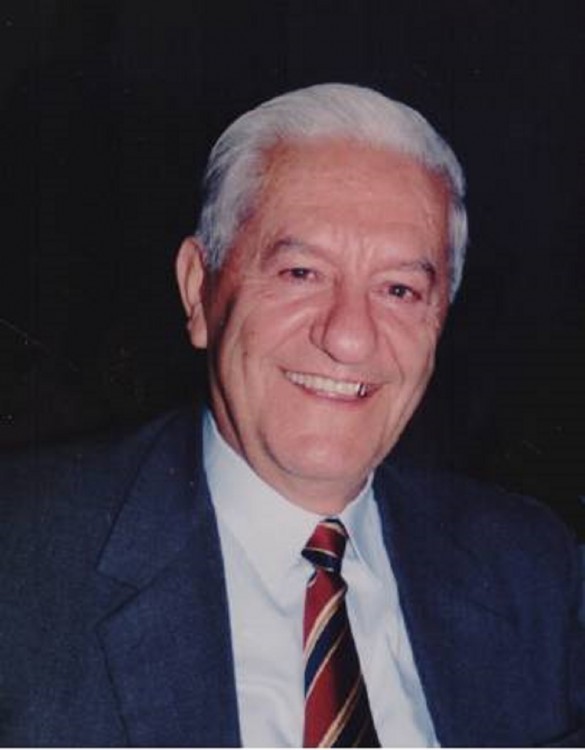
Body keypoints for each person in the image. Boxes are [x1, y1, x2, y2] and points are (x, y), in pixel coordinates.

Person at [1, 83, 583, 747]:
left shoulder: (527, 568)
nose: (349, 337)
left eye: (399, 289)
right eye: (301, 273)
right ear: (199, 289)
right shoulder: (22, 563)